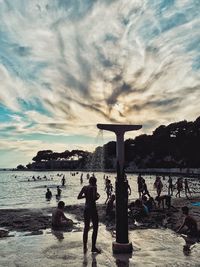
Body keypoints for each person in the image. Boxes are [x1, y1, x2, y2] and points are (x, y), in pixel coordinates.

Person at [77, 176, 101, 254]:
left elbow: (79, 197)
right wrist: (98, 197)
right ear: (95, 182)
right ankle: (93, 247)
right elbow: (94, 198)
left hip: (86, 209)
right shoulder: (94, 187)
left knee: (86, 228)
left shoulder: (85, 187)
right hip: (93, 209)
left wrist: (86, 196)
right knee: (95, 228)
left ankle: (85, 246)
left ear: (89, 181)